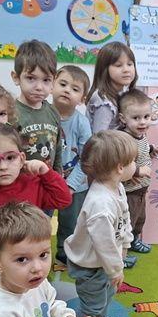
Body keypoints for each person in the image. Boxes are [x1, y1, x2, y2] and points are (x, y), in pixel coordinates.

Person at [64, 130, 137, 317]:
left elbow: (124, 219)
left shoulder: (116, 187)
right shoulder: (100, 205)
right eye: (132, 161)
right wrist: (115, 269)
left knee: (106, 295)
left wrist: (125, 247)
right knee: (92, 304)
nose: (135, 165)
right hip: (90, 265)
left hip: (105, 263)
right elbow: (103, 244)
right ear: (119, 167)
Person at [0, 122, 71, 212]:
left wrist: (46, 172)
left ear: (21, 159)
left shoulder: (32, 184)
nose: (3, 167)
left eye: (10, 157)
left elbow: (63, 200)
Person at [53, 65, 93, 267]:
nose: (67, 90)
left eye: (75, 89)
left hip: (75, 184)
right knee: (40, 219)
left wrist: (71, 184)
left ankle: (64, 252)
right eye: (63, 84)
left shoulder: (81, 123)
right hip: (46, 182)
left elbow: (87, 158)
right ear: (52, 85)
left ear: (82, 99)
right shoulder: (43, 114)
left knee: (71, 221)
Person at [118, 89, 158, 261]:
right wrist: (137, 171)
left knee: (139, 219)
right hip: (129, 191)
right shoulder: (124, 139)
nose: (142, 122)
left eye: (146, 117)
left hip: (141, 189)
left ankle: (134, 241)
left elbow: (141, 149)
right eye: (136, 118)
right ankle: (121, 253)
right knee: (127, 222)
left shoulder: (141, 135)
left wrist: (151, 149)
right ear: (123, 119)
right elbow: (120, 164)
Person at [12, 39, 62, 171]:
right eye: (31, 78)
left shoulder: (53, 112)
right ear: (16, 77)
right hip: (22, 180)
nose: (39, 87)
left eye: (46, 80)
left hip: (48, 178)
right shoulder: (10, 114)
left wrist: (58, 176)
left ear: (53, 81)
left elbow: (58, 149)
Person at [87, 41, 138, 133]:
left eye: (130, 64)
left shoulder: (122, 93)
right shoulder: (104, 102)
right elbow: (99, 137)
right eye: (118, 65)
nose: (126, 70)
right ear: (104, 69)